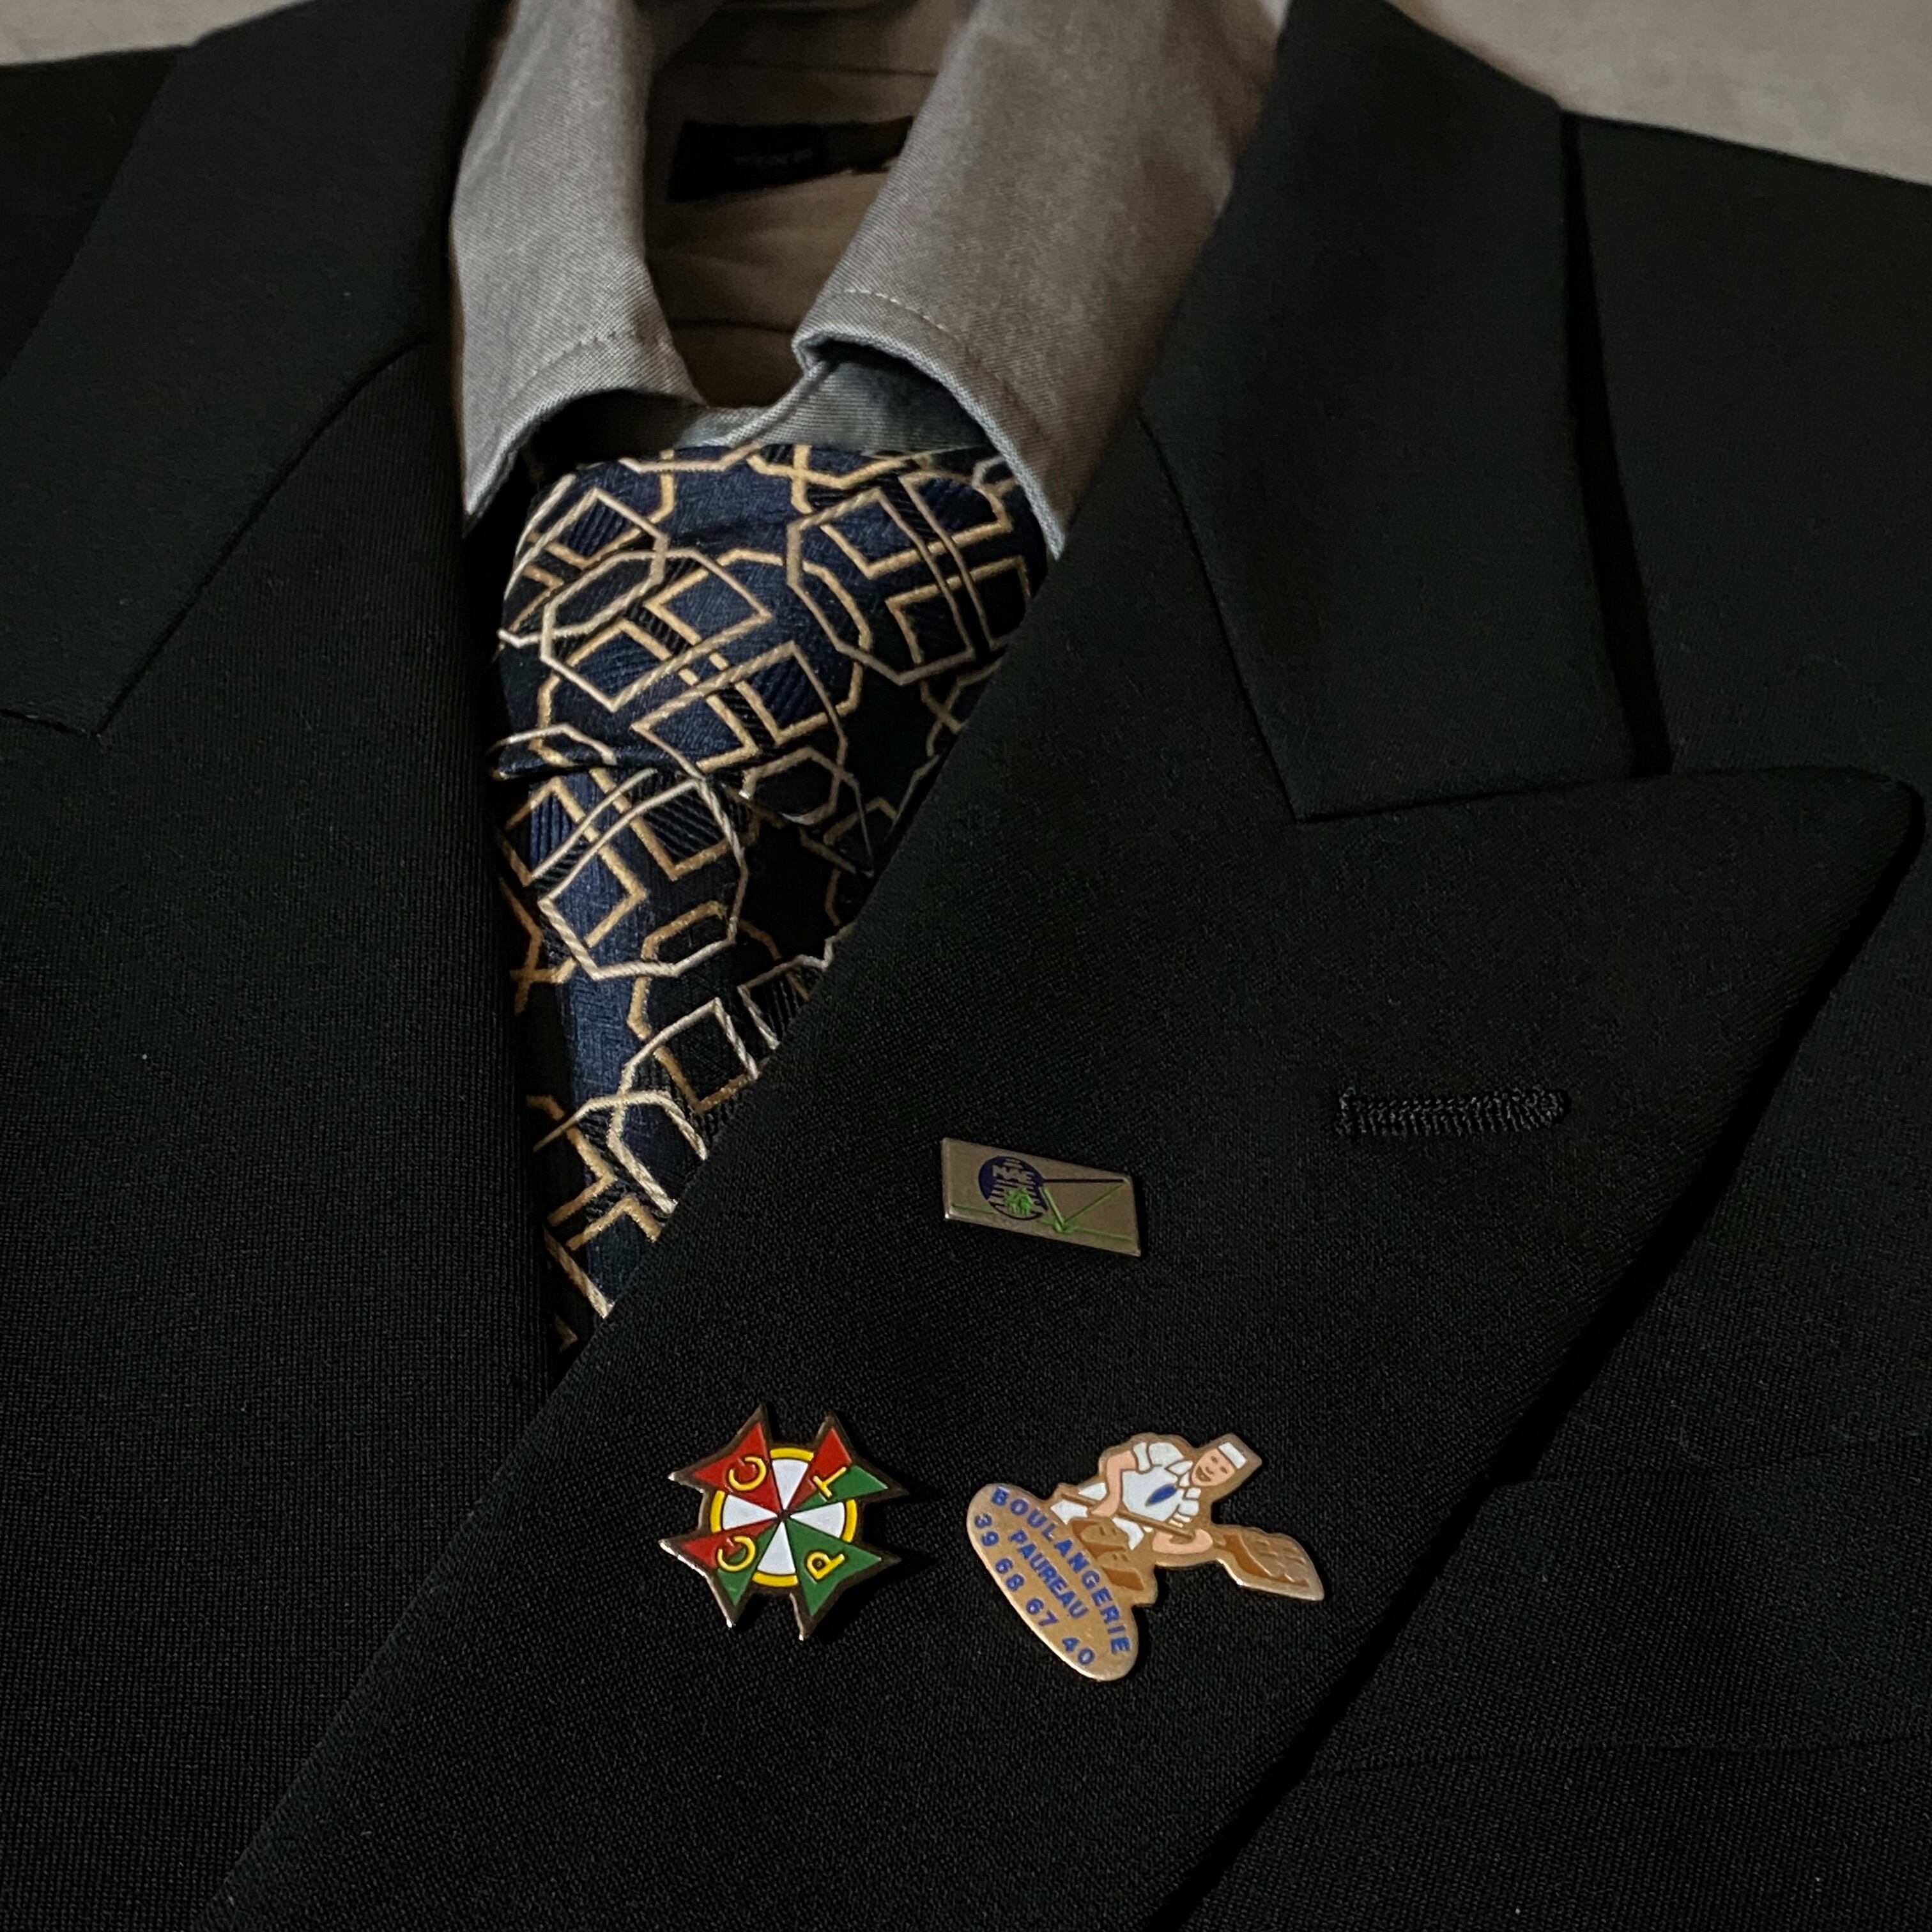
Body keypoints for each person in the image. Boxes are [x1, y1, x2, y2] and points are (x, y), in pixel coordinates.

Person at [1048, 1434, 1324, 1604]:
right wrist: (1113, 1498)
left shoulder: (1192, 1510)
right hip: (1086, 1509)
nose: (1212, 1469)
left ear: (1225, 1480)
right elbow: (1118, 1461)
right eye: (1214, 1461)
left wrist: (1198, 1546)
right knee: (1054, 1537)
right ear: (1207, 1453)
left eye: (1222, 1471)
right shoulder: (1168, 1453)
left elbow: (1159, 1545)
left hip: (1116, 1544)